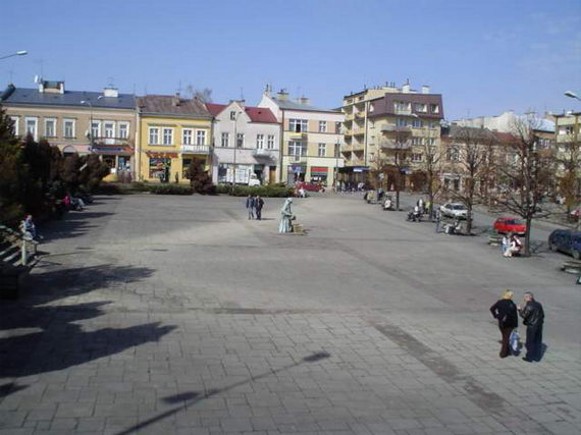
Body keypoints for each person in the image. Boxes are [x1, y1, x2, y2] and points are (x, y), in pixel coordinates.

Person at [489, 289, 519, 358]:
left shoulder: (500, 302)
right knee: (506, 338)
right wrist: (515, 325)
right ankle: (503, 353)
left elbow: (492, 308)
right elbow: (514, 316)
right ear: (510, 296)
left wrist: (496, 316)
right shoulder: (512, 304)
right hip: (509, 324)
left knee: (505, 337)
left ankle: (507, 350)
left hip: (501, 323)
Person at [518, 292, 544, 362]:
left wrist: (519, 309)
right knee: (537, 341)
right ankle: (537, 357)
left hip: (532, 326)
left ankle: (529, 357)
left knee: (530, 342)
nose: (524, 299)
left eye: (525, 297)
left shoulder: (529, 305)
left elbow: (524, 315)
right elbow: (542, 315)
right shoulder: (539, 304)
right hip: (539, 326)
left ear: (529, 297)